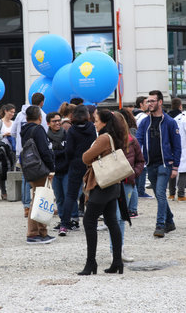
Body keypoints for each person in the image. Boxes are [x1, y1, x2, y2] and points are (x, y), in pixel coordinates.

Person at [78, 109, 127, 275]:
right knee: (111, 221)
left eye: (96, 120)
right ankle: (117, 262)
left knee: (89, 221)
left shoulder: (104, 138)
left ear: (104, 122)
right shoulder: (113, 136)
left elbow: (85, 158)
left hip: (102, 185)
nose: (94, 123)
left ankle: (91, 263)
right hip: (113, 184)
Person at [136, 90, 181, 238]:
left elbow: (177, 146)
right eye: (148, 101)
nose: (149, 104)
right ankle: (170, 221)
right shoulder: (144, 122)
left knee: (161, 193)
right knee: (158, 194)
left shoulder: (169, 122)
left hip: (165, 163)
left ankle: (160, 225)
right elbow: (138, 142)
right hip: (150, 164)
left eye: (152, 101)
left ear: (160, 102)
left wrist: (175, 166)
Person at [20, 106, 56, 245]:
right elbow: (44, 150)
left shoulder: (24, 130)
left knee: (38, 198)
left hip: (30, 167)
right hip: (40, 168)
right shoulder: (38, 129)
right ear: (40, 117)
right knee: (38, 201)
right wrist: (51, 168)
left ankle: (42, 231)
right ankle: (33, 233)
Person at [59, 105, 97, 236]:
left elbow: (68, 150)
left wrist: (71, 160)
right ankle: (92, 222)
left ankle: (64, 224)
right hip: (90, 164)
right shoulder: (92, 128)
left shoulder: (72, 130)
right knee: (92, 193)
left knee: (71, 195)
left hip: (75, 163)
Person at [114, 112, 144, 262]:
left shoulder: (132, 141)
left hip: (126, 183)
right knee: (116, 216)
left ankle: (119, 248)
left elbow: (140, 160)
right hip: (111, 183)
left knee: (121, 217)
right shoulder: (107, 141)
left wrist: (133, 174)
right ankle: (117, 249)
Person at [12, 94, 48, 215]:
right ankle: (38, 204)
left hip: (21, 150)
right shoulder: (42, 116)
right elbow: (44, 135)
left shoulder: (19, 115)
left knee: (25, 177)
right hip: (36, 153)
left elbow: (13, 132)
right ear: (42, 103)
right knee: (38, 177)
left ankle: (26, 206)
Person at [168, 97, 186, 202]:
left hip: (170, 148)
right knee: (183, 171)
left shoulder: (167, 117)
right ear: (180, 106)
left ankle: (171, 194)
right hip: (182, 148)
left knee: (172, 169)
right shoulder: (184, 118)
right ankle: (181, 194)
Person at [46, 112, 69, 228]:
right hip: (54, 171)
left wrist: (55, 153)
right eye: (54, 121)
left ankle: (69, 220)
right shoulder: (46, 136)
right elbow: (47, 153)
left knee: (67, 196)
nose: (58, 123)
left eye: (59, 120)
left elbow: (68, 151)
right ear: (48, 123)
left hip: (66, 170)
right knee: (59, 198)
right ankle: (63, 221)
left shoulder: (66, 134)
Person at [0, 104, 17, 201]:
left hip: (12, 150)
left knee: (12, 170)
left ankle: (11, 191)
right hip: (2, 151)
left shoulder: (14, 123)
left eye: (14, 112)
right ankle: (3, 191)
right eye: (11, 112)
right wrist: (3, 135)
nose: (12, 114)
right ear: (6, 111)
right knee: (3, 170)